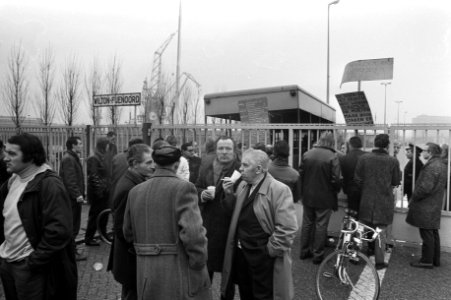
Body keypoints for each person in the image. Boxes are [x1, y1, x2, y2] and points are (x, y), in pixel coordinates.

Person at [123, 145, 211, 299]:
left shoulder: (135, 191)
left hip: (145, 274)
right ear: (177, 164)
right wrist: (198, 263)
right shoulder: (184, 188)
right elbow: (193, 234)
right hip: (178, 273)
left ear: (155, 164)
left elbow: (128, 233)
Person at [0, 133, 77, 300]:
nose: (5, 158)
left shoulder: (49, 184)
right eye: (6, 152)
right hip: (9, 263)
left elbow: (59, 231)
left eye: (12, 154)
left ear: (31, 156)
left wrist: (32, 263)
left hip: (29, 268)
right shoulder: (14, 180)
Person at [221, 149, 298, 300]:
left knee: (263, 295)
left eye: (245, 165)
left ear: (258, 169)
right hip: (242, 255)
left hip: (263, 257)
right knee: (246, 293)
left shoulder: (279, 190)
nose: (240, 169)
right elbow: (235, 215)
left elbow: (288, 228)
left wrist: (269, 251)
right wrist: (229, 193)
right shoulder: (243, 185)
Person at [108, 144, 154, 300]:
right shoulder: (128, 187)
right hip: (130, 260)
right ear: (134, 164)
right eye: (148, 163)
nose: (153, 166)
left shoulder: (136, 181)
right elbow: (121, 230)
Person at [195, 136, 241, 286]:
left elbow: (243, 202)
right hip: (208, 225)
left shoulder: (240, 170)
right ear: (216, 150)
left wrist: (230, 194)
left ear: (234, 151)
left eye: (228, 148)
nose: (224, 152)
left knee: (229, 272)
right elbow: (195, 187)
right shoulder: (206, 167)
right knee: (206, 268)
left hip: (229, 227)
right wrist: (202, 194)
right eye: (221, 148)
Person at [354, 133, 401, 270]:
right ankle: (379, 262)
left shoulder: (364, 158)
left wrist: (365, 188)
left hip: (366, 199)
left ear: (374, 143)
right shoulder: (393, 161)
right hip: (383, 201)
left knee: (361, 229)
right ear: (387, 145)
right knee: (380, 232)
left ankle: (355, 255)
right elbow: (396, 181)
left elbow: (357, 179)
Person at [299, 132, 341, 264]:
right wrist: (335, 190)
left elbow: (301, 174)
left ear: (320, 140)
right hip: (325, 197)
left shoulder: (307, 154)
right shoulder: (333, 156)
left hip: (308, 196)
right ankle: (318, 254)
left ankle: (304, 251)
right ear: (331, 142)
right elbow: (337, 179)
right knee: (321, 225)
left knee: (307, 223)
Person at [406, 143, 447, 269]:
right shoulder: (440, 164)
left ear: (430, 152)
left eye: (424, 151)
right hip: (433, 204)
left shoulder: (432, 166)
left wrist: (414, 197)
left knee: (427, 233)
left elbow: (425, 188)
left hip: (427, 205)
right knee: (432, 232)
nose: (422, 153)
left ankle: (426, 261)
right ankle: (435, 260)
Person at [59, 136, 87, 261]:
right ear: (73, 145)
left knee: (74, 224)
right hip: (71, 199)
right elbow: (70, 180)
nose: (81, 145)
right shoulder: (69, 159)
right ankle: (71, 253)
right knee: (72, 225)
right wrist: (77, 195)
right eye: (80, 143)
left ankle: (71, 251)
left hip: (73, 198)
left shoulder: (71, 157)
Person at [85, 137, 110, 246]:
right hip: (98, 194)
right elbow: (93, 177)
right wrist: (100, 192)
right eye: (107, 145)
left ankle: (103, 234)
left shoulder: (101, 157)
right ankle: (89, 238)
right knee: (94, 216)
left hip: (103, 192)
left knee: (104, 215)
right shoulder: (94, 159)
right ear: (103, 145)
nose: (109, 147)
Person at [339, 136, 367, 214]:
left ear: (350, 145)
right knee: (363, 215)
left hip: (350, 190)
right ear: (360, 144)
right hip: (365, 190)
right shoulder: (367, 156)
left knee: (352, 215)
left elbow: (343, 175)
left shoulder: (344, 158)